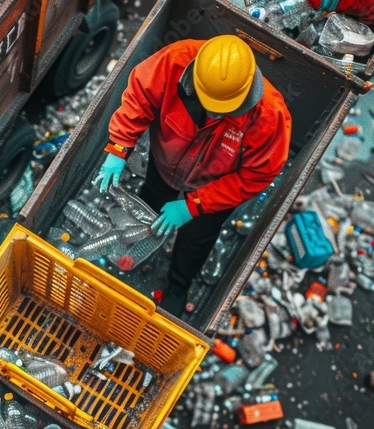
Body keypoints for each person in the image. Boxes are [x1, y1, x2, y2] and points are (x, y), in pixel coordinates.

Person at [93, 35, 292, 314]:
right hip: (166, 164)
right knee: (150, 203)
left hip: (215, 185)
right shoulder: (174, 60)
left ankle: (177, 286)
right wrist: (118, 147)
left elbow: (256, 176)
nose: (214, 114)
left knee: (197, 238)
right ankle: (138, 246)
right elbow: (139, 97)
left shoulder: (269, 114)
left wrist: (193, 205)